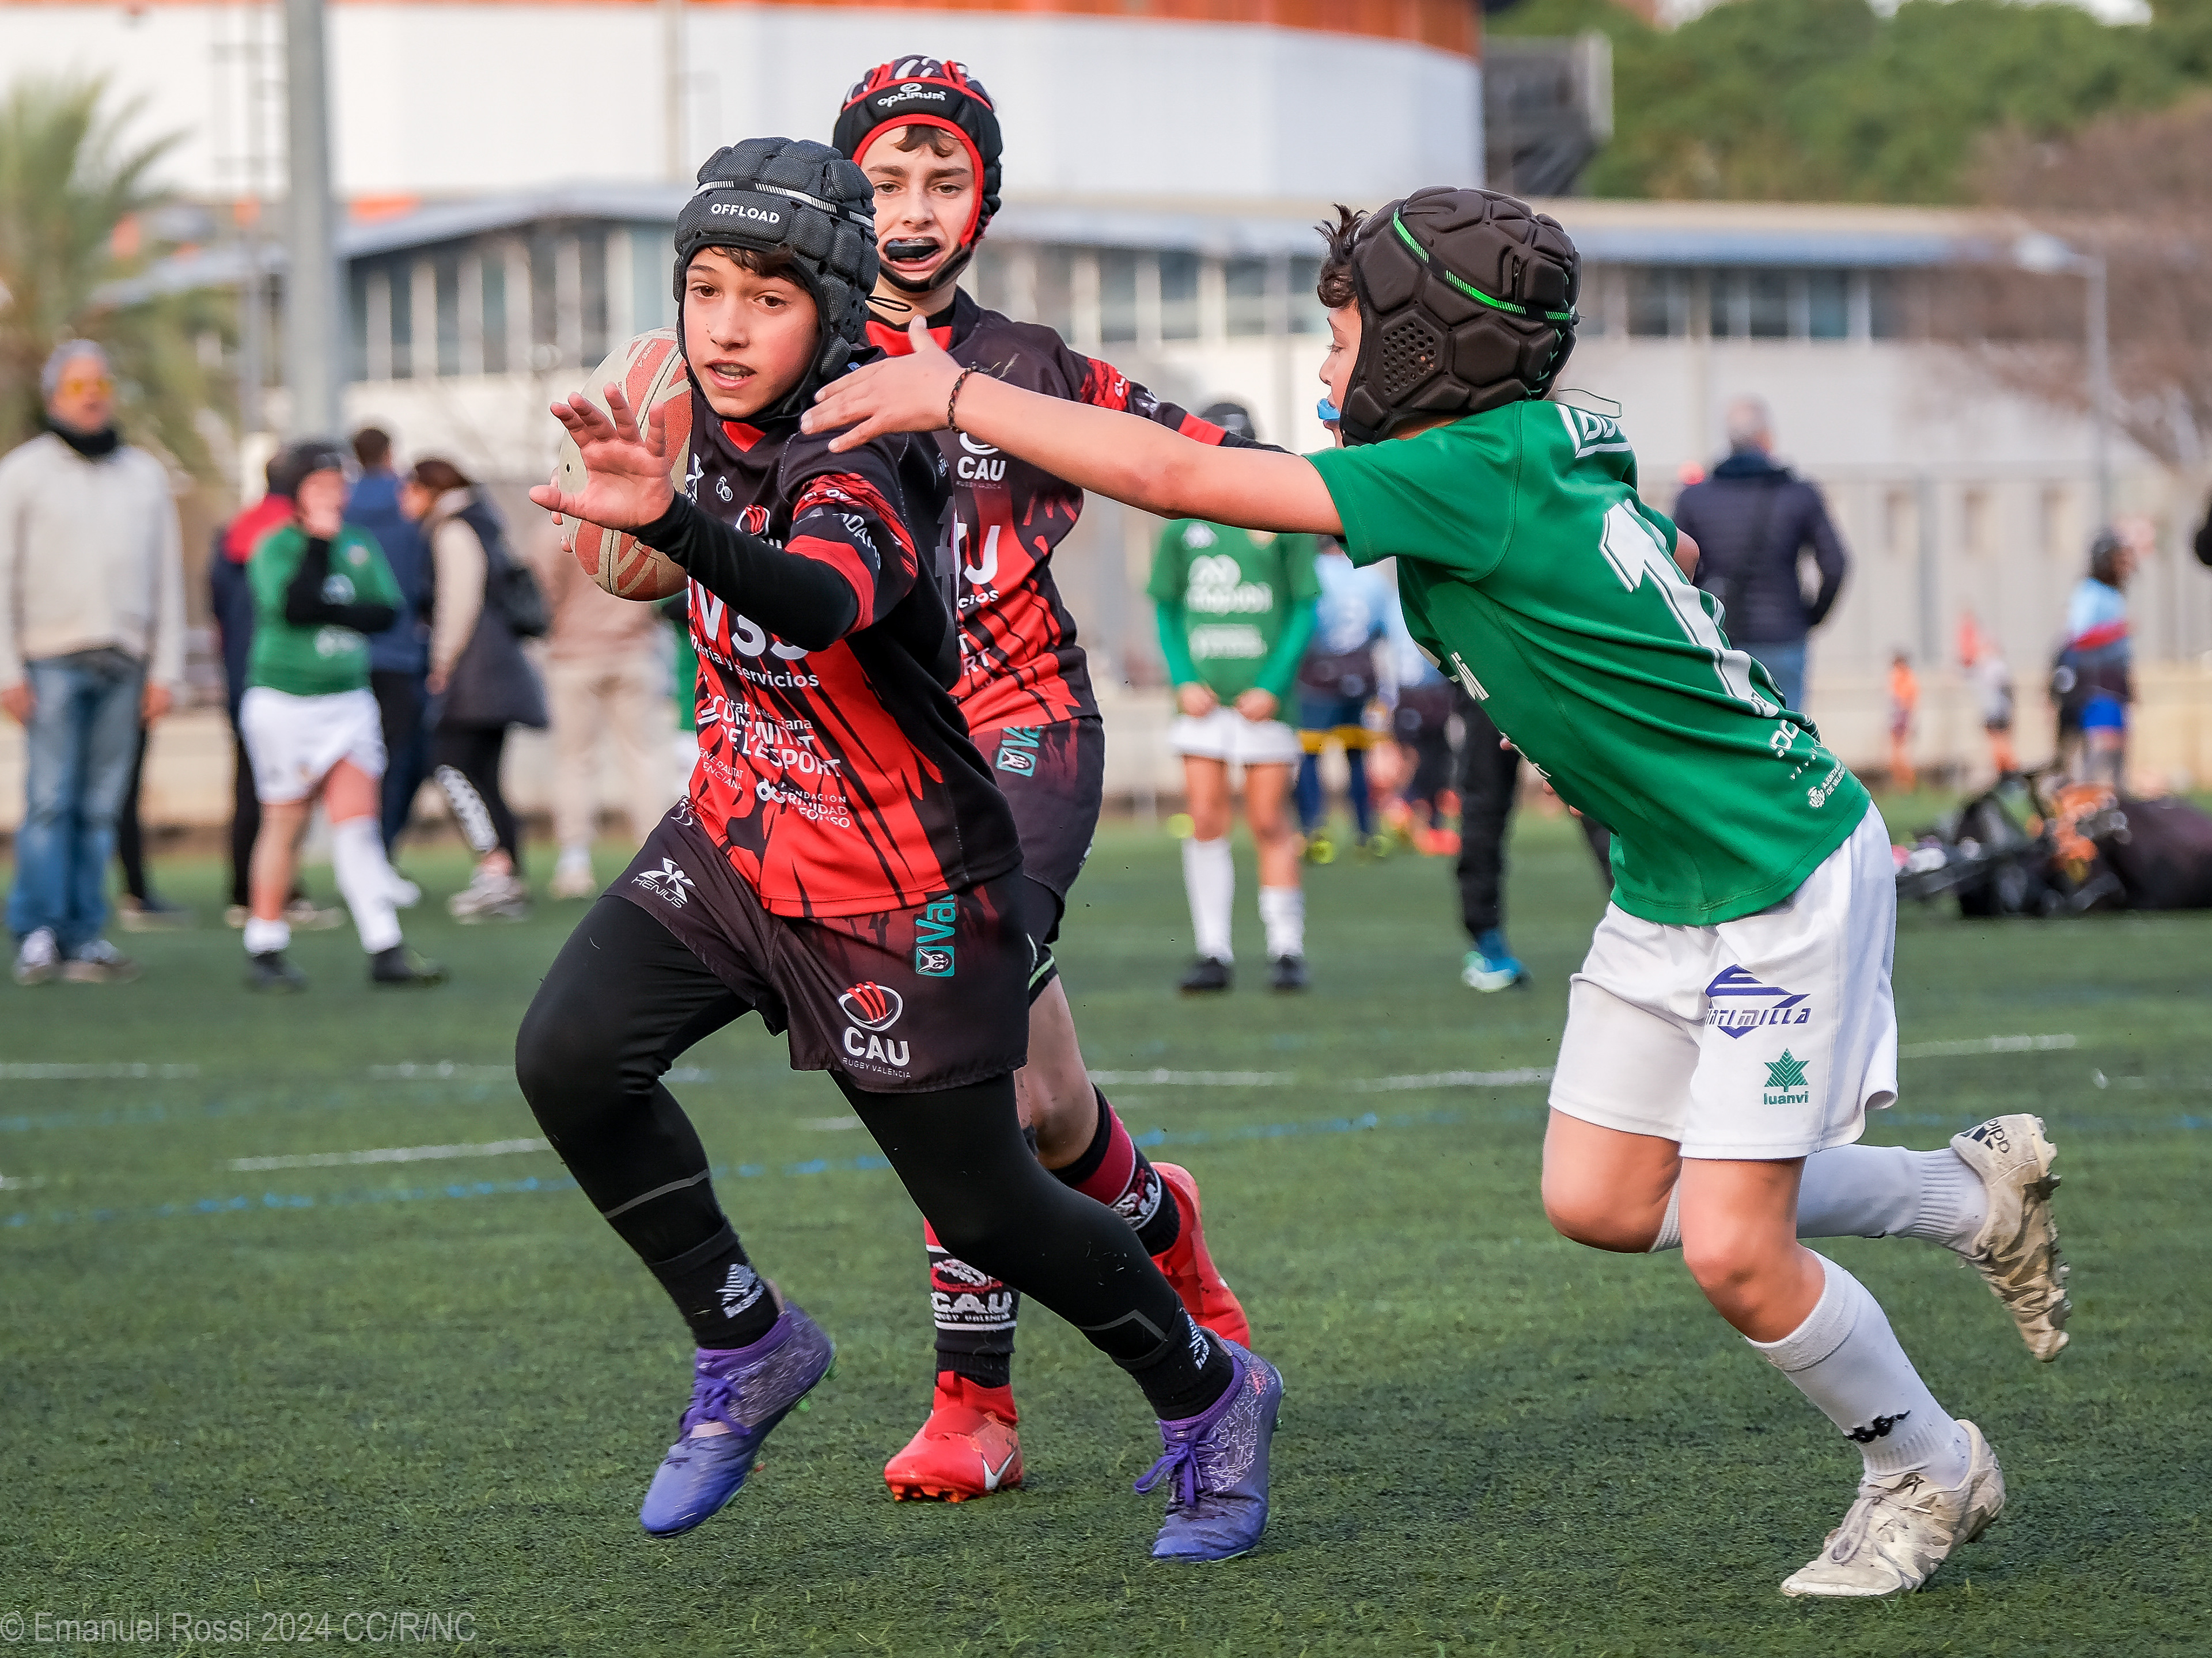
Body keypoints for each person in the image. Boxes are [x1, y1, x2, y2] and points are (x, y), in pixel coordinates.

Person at [808, 183, 2075, 1597]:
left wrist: (955, 391)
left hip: (1778, 873)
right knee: (1603, 1197)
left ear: (1423, 352)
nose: (1325, 362)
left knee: (1733, 1250)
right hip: (1674, 879)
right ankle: (1961, 1193)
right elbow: (1634, 547)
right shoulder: (1524, 441)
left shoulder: (1463, 469)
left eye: (1343, 334)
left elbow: (1179, 477)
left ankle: (1925, 1466)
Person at [522, 136, 1280, 1563]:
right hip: (737, 834)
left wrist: (671, 521)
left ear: (828, 311)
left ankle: (1209, 1391)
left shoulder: (867, 449)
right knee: (567, 1056)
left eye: (766, 298)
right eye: (704, 289)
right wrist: (654, 503)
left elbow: (821, 597)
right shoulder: (685, 417)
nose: (726, 326)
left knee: (987, 1205)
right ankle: (745, 1339)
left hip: (900, 881)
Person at [831, 58, 1255, 1503]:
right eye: (887, 180)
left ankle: (975, 1404)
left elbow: (1206, 455)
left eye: (945, 179)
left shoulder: (1033, 365)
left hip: (1027, 735)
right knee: (1048, 1107)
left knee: (951, 1048)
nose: (914, 207)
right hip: (873, 771)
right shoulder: (793, 365)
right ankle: (1163, 1226)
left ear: (985, 203)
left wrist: (1410, 490)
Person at [1, 340, 184, 986]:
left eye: (100, 384)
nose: (92, 396)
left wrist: (166, 669)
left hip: (125, 661)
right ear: (55, 395)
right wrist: (6, 669)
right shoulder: (23, 473)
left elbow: (166, 577)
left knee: (101, 806)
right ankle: (38, 930)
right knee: (51, 799)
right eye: (79, 386)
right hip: (49, 659)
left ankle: (84, 933)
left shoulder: (144, 474)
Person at [237, 442, 445, 991]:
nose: (333, 493)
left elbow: (385, 610)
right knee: (285, 824)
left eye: (338, 483)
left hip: (348, 700)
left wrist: (335, 605)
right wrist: (318, 545)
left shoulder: (359, 543)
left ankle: (385, 946)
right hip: (286, 701)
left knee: (358, 825)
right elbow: (294, 605)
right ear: (296, 492)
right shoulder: (277, 545)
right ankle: (265, 943)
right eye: (320, 484)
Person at [1149, 512, 1319, 991]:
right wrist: (1183, 678)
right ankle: (1213, 950)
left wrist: (1273, 684)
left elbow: (1303, 609)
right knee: (1205, 818)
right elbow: (1166, 608)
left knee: (1268, 819)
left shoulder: (1283, 522)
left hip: (1265, 705)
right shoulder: (1181, 529)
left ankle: (1286, 947)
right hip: (1201, 705)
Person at [405, 458, 547, 920]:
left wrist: (442, 661)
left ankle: (494, 867)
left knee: (449, 766)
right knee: (484, 776)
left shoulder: (453, 528)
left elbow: (458, 600)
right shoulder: (485, 521)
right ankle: (506, 878)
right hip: (498, 671)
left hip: (477, 675)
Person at [210, 453, 343, 933]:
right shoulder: (291, 535)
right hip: (285, 678)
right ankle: (277, 896)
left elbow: (217, 606)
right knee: (287, 801)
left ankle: (244, 892)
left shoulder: (235, 530)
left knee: (253, 787)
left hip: (242, 672)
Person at [1671, 396, 1848, 715]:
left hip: (1720, 637)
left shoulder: (1694, 499)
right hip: (1784, 636)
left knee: (1728, 731)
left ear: (1730, 441)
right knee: (1787, 731)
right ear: (1766, 439)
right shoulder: (1800, 495)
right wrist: (1810, 617)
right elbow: (1835, 565)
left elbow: (1675, 568)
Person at [536, 521, 678, 900]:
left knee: (575, 761)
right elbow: (662, 584)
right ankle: (657, 857)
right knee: (643, 757)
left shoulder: (556, 529)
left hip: (575, 655)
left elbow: (543, 593)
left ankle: (574, 862)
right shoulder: (635, 523)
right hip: (635, 652)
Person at [1450, 686, 1615, 991]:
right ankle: (1488, 944)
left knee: (1595, 800)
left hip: (1498, 680)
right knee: (1597, 798)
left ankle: (1488, 946)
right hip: (1540, 679)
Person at [347, 427, 434, 874]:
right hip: (403, 653)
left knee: (359, 764)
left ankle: (361, 855)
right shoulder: (409, 502)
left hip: (350, 655)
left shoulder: (342, 506)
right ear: (389, 453)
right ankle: (383, 852)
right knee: (403, 758)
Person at [1293, 537, 1392, 863]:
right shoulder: (1373, 579)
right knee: (1358, 757)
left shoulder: (1310, 572)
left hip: (1318, 675)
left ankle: (1314, 832)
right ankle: (1367, 833)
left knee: (1310, 756)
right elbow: (1384, 630)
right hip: (1361, 674)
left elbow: (1302, 622)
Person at [2054, 529, 2134, 790]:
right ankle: (2077, 796)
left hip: (2115, 680)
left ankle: (2120, 803)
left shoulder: (2112, 594)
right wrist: (2117, 631)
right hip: (2097, 680)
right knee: (2105, 744)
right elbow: (2079, 636)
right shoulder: (2090, 592)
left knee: (2119, 749)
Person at [1887, 651, 1919, 792]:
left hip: (1901, 718)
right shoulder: (1901, 678)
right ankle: (1902, 784)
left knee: (1900, 754)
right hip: (1899, 717)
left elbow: (1904, 702)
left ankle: (1907, 784)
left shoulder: (1906, 679)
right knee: (1896, 754)